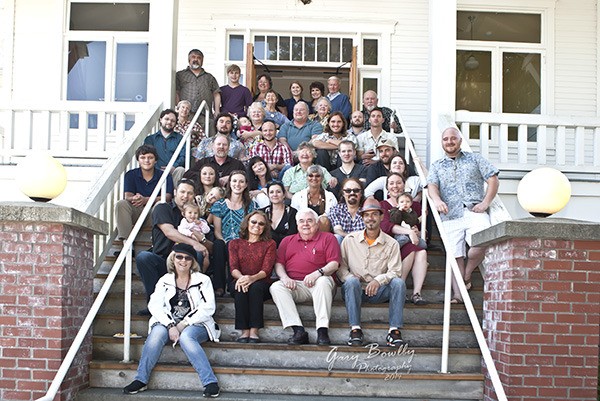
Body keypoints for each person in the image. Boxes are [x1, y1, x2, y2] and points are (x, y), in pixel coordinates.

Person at [123, 243, 220, 398]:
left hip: (196, 323)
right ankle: (141, 379)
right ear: (173, 259)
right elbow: (154, 305)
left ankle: (210, 382)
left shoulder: (203, 280)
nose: (183, 261)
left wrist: (183, 324)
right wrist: (170, 325)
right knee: (155, 335)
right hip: (167, 321)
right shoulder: (164, 280)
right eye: (179, 257)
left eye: (188, 258)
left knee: (187, 338)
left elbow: (208, 308)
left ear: (193, 262)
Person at [427, 127, 499, 303]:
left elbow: (493, 178)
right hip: (450, 214)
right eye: (446, 139)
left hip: (474, 210)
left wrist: (485, 203)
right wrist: (437, 200)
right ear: (442, 142)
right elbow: (432, 186)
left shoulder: (474, 159)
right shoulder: (437, 165)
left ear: (460, 140)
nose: (449, 142)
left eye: (453, 138)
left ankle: (466, 275)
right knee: (455, 255)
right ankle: (458, 295)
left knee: (481, 243)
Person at [338, 197, 407, 348]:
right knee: (350, 281)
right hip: (354, 289)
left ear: (381, 217)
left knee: (399, 283)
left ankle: (394, 331)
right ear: (362, 217)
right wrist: (350, 276)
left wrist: (378, 280)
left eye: (374, 214)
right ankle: (355, 329)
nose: (370, 218)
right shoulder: (349, 240)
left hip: (378, 292)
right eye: (367, 214)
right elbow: (341, 267)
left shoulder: (392, 243)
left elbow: (395, 271)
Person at [136, 179, 210, 312]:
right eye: (182, 192)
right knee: (143, 257)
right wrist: (194, 243)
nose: (185, 196)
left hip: (186, 263)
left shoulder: (196, 216)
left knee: (197, 254)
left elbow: (209, 242)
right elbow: (169, 232)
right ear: (175, 192)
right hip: (163, 261)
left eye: (189, 193)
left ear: (194, 196)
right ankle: (155, 304)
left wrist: (202, 241)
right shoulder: (162, 208)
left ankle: (193, 303)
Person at [270, 208, 340, 345]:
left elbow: (334, 264)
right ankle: (298, 331)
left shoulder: (328, 238)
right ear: (297, 225)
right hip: (296, 285)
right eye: (301, 221)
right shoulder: (287, 241)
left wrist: (317, 273)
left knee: (324, 281)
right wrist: (284, 278)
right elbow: (279, 264)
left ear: (317, 223)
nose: (305, 224)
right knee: (276, 287)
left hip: (320, 284)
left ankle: (322, 331)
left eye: (309, 221)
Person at [380, 173, 428, 305]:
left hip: (410, 241)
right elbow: (385, 226)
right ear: (387, 187)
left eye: (399, 183)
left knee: (422, 252)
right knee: (412, 249)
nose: (395, 186)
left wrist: (417, 232)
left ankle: (416, 293)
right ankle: (398, 288)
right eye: (391, 183)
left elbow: (418, 226)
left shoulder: (415, 206)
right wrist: (409, 232)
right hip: (390, 244)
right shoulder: (383, 205)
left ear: (404, 185)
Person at [229, 211, 277, 343]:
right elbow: (233, 268)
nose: (257, 225)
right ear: (247, 223)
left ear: (265, 227)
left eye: (261, 224)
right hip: (239, 279)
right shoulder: (234, 243)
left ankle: (254, 330)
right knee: (240, 287)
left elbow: (266, 270)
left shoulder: (270, 244)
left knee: (255, 288)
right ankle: (244, 331)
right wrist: (243, 278)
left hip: (261, 282)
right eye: (254, 222)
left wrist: (251, 278)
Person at [210, 171, 257, 296]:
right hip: (224, 241)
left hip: (243, 242)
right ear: (229, 183)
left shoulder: (251, 205)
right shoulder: (219, 205)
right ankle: (219, 287)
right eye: (234, 181)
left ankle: (234, 284)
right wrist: (226, 241)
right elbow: (217, 231)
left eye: (241, 181)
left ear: (246, 185)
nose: (238, 184)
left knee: (236, 246)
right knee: (219, 245)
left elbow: (252, 229)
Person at [115, 145, 173, 241]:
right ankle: (127, 242)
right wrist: (135, 198)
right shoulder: (131, 175)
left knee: (161, 204)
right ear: (138, 160)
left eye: (150, 158)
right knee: (121, 204)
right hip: (137, 211)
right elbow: (128, 196)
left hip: (154, 214)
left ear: (155, 160)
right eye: (143, 157)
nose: (147, 160)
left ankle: (156, 241)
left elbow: (168, 197)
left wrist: (146, 200)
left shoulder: (164, 175)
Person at [175, 49, 220, 135]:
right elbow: (176, 92)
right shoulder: (180, 75)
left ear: (202, 61)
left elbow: (216, 94)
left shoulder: (209, 77)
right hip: (187, 114)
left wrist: (217, 111)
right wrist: (178, 108)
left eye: (199, 58)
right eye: (193, 57)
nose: (196, 59)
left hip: (205, 114)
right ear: (189, 60)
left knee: (209, 134)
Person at [143, 109, 186, 184]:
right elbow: (147, 156)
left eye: (173, 121)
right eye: (167, 119)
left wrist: (173, 166)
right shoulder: (150, 139)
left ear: (175, 123)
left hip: (173, 171)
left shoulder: (180, 138)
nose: (169, 122)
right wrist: (157, 169)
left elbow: (183, 156)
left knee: (181, 170)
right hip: (155, 171)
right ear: (161, 120)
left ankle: (176, 194)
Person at [291, 165, 337, 233]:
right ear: (306, 178)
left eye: (317, 176)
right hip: (304, 229)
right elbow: (294, 218)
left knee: (324, 220)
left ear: (322, 178)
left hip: (324, 231)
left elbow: (334, 218)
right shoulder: (297, 196)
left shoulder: (330, 196)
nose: (314, 178)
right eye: (310, 176)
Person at [260, 181, 298, 247]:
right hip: (265, 250)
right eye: (271, 192)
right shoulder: (262, 212)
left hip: (286, 249)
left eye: (278, 192)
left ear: (284, 195)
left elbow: (292, 236)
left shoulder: (292, 212)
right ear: (268, 195)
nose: (275, 194)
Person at [327, 178, 365, 244]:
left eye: (356, 190)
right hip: (343, 244)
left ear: (361, 193)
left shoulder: (366, 210)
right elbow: (337, 230)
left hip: (362, 244)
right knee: (337, 237)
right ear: (343, 193)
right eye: (348, 191)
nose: (352, 193)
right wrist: (351, 237)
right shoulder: (336, 210)